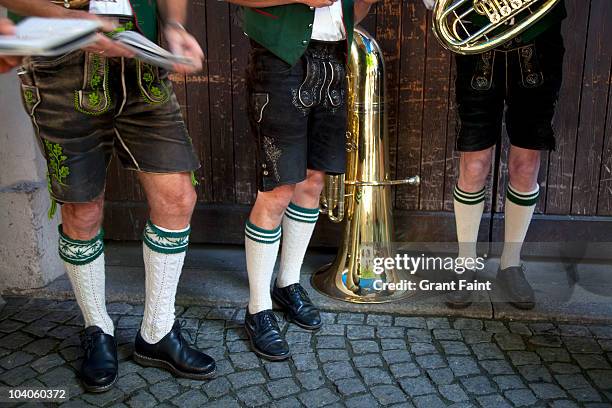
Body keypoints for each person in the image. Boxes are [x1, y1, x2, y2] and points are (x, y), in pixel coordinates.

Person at [1, 0, 214, 393]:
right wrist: (66, 19)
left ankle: (157, 331)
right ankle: (97, 327)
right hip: (59, 68)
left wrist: (175, 27)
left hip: (141, 62)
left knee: (177, 197)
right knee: (82, 210)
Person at [226, 0, 378, 360]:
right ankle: (258, 308)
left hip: (335, 61)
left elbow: (353, 13)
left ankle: (287, 283)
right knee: (278, 191)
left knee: (312, 183)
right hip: (279, 61)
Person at [423, 0, 566, 310]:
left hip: (537, 43)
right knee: (474, 165)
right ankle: (465, 264)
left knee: (525, 165)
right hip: (477, 41)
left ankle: (511, 263)